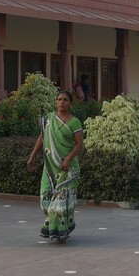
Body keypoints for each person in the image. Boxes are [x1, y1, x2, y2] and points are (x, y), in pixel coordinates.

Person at [28, 89, 83, 242]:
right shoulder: (49, 119)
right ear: (55, 102)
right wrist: (32, 156)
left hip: (67, 168)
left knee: (60, 201)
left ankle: (59, 231)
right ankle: (58, 226)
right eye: (59, 99)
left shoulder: (74, 122)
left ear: (70, 103)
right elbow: (42, 137)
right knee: (45, 198)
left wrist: (67, 160)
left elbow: (79, 144)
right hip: (50, 167)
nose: (61, 102)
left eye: (65, 99)